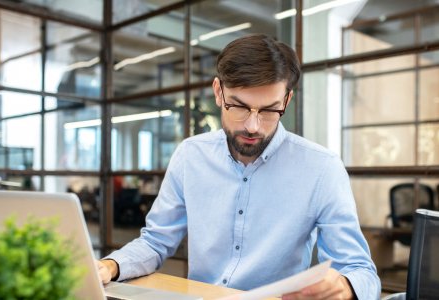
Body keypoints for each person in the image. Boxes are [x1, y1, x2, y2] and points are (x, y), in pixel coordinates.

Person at [98, 34, 380, 299]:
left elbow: (361, 271)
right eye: (239, 106)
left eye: (269, 110)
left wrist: (345, 286)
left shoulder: (322, 168)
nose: (252, 126)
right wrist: (111, 265)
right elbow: (156, 242)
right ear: (219, 92)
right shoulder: (190, 156)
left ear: (287, 100)